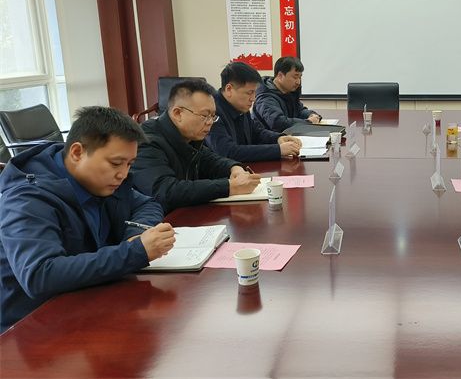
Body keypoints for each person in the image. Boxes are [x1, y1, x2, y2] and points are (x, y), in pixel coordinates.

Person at [0, 106, 175, 332]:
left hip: (88, 301)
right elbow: (40, 275)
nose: (123, 174)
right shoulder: (26, 200)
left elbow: (147, 203)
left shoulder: (97, 179)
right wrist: (134, 252)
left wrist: (135, 235)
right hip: (33, 327)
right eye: (115, 163)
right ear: (77, 153)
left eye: (129, 164)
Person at [131, 80, 262, 214]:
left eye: (213, 116)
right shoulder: (146, 141)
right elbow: (165, 192)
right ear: (177, 113)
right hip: (157, 221)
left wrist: (234, 168)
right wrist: (229, 187)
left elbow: (209, 160)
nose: (210, 122)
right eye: (204, 115)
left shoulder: (189, 135)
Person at [206, 61, 302, 161]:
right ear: (229, 89)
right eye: (249, 93)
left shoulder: (240, 106)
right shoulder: (212, 113)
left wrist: (278, 138)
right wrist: (278, 150)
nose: (253, 98)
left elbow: (256, 132)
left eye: (254, 92)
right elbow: (229, 152)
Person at [253, 56, 322, 131]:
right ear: (280, 76)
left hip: (288, 136)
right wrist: (308, 122)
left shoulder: (289, 92)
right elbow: (278, 123)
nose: (298, 82)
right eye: (295, 77)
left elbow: (299, 111)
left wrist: (311, 115)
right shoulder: (265, 97)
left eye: (300, 77)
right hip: (272, 138)